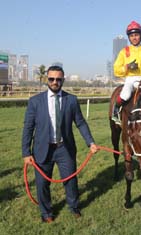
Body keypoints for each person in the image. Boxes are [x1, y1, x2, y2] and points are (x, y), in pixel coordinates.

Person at [22, 65, 98, 223]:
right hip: (43, 149)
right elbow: (28, 128)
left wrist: (90, 142)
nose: (55, 82)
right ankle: (46, 213)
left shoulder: (71, 100)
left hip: (65, 148)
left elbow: (81, 123)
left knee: (70, 180)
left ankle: (74, 207)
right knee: (42, 183)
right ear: (47, 80)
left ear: (63, 80)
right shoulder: (35, 101)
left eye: (58, 79)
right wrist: (26, 153)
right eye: (51, 79)